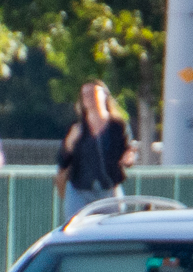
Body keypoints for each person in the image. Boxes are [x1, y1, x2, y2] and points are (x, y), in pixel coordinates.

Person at [56, 80, 135, 224]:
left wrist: (129, 158)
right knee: (75, 229)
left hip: (109, 189)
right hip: (80, 190)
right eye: (85, 94)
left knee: (115, 228)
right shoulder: (77, 127)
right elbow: (62, 161)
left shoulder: (118, 126)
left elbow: (128, 151)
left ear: (104, 95)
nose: (89, 97)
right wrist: (69, 144)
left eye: (93, 93)